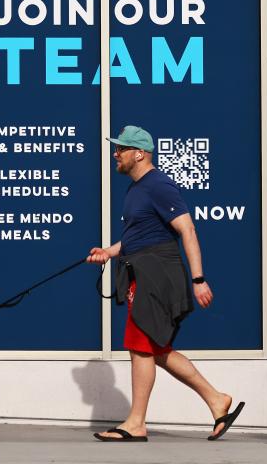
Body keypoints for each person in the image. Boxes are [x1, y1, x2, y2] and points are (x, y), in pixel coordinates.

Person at [87, 125, 245, 442]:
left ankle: (135, 423)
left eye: (121, 149)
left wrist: (198, 279)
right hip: (145, 271)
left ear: (139, 153)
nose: (115, 154)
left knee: (140, 347)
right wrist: (108, 252)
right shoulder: (136, 190)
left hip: (157, 275)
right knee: (156, 350)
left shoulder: (158, 186)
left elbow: (187, 230)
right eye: (115, 148)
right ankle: (217, 400)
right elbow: (136, 238)